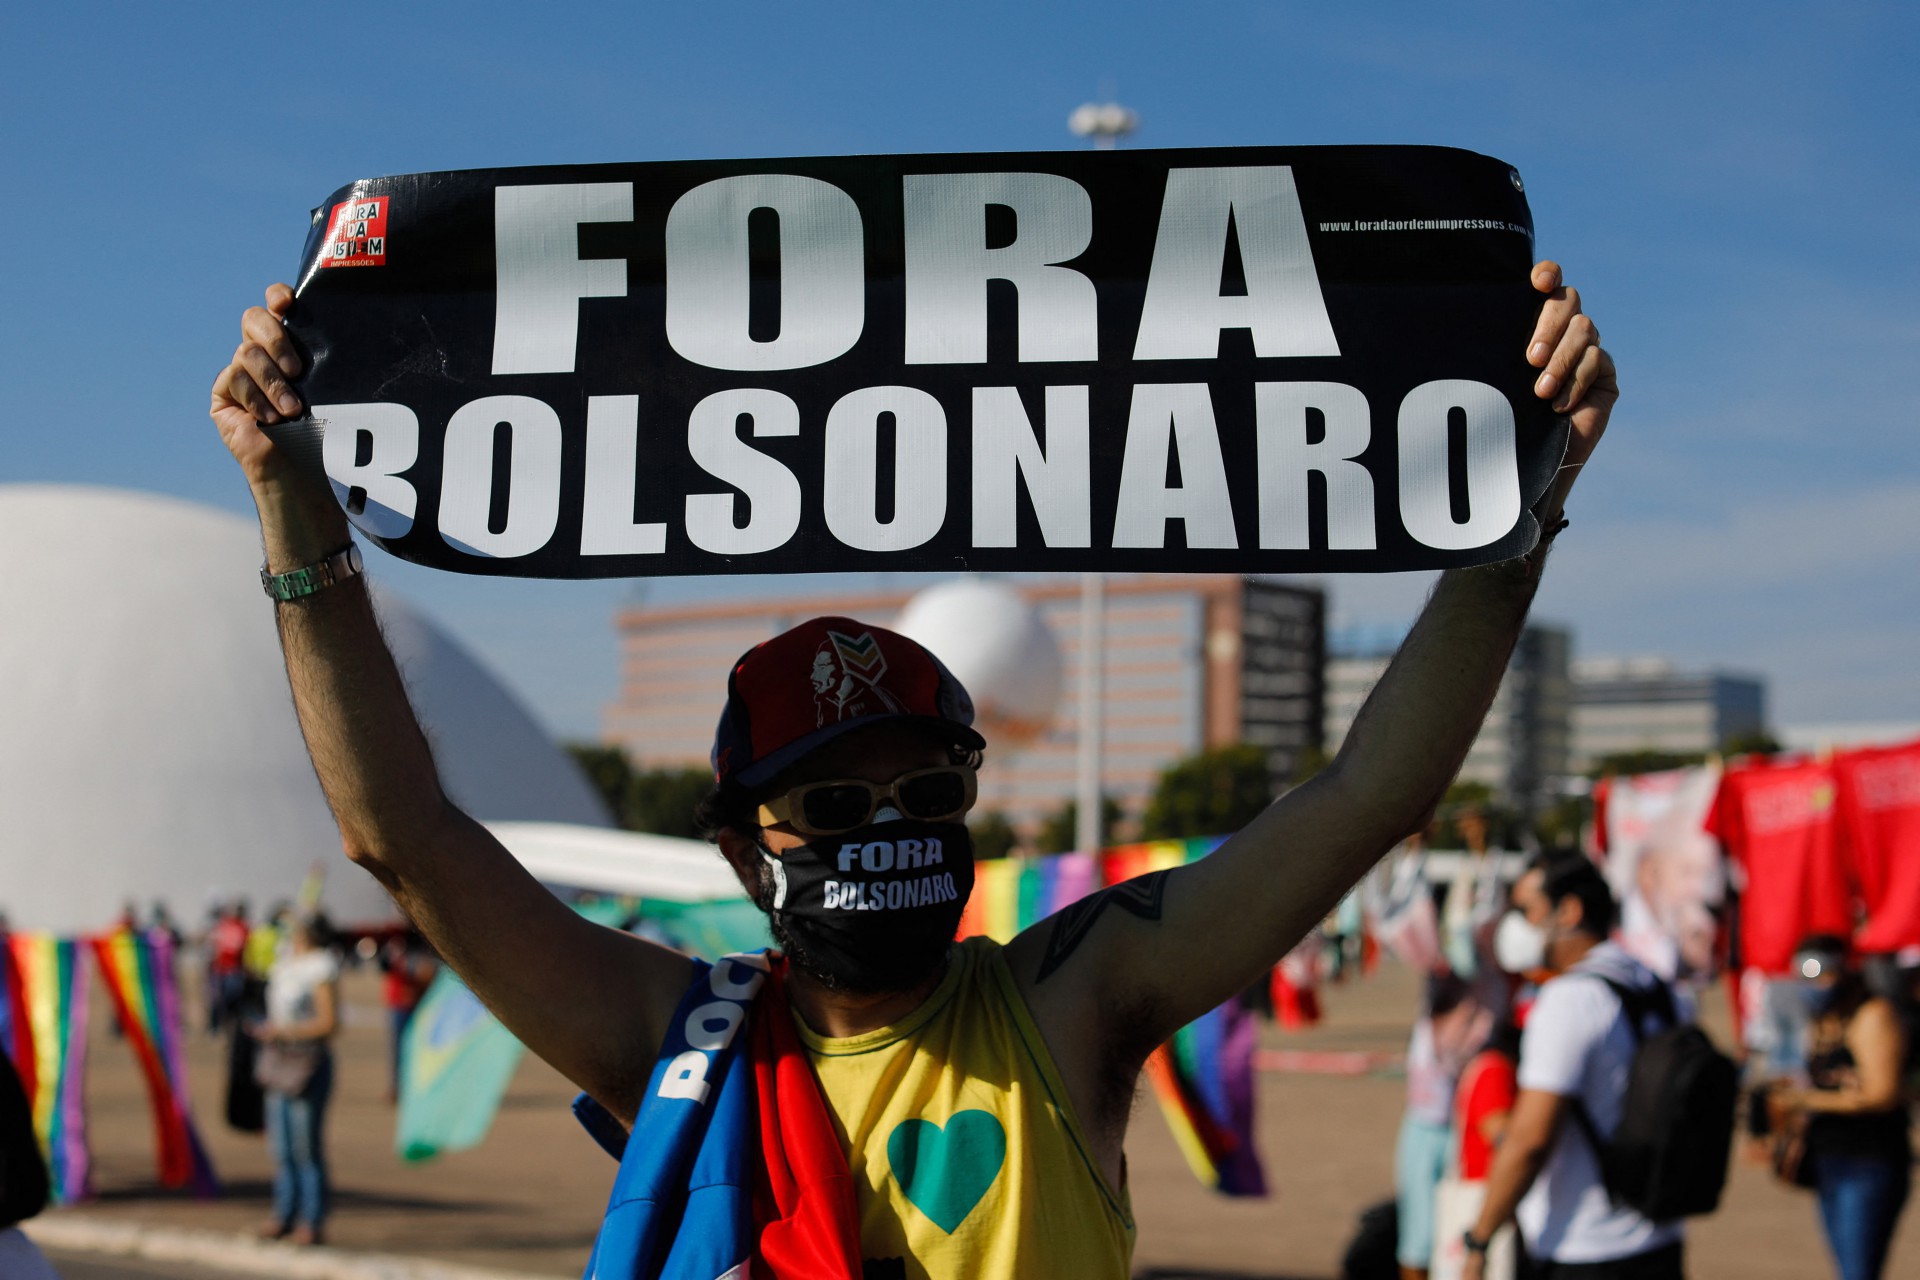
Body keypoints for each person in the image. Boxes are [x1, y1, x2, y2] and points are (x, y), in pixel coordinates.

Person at [210, 260, 1614, 1276]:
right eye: (829, 802)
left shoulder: (1075, 999)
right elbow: (404, 835)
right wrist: (293, 505)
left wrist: (1526, 503)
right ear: (740, 845)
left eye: (925, 793)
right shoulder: (675, 1042)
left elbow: (1369, 797)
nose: (885, 824)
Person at [1464, 855, 1686, 1279]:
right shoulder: (1654, 984)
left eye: (1526, 910)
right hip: (1658, 1235)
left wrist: (1480, 1238)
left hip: (1584, 1245)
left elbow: (1529, 1141)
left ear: (1569, 911)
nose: (1517, 926)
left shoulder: (1569, 999)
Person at [1774, 935, 1911, 1280]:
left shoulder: (1873, 1014)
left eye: (1821, 974)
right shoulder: (1826, 1020)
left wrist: (1807, 1099)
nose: (1813, 985)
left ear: (1845, 970)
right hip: (1828, 1160)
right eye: (1804, 976)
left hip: (1868, 1162)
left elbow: (1882, 1093)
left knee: (1857, 1272)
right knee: (1845, 1269)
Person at [253, 916, 340, 1246]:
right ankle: (283, 1213)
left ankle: (312, 1220)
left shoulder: (321, 966)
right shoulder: (286, 960)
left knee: (307, 1148)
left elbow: (329, 1023)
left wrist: (285, 1031)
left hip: (307, 1061)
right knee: (281, 1146)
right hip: (279, 1058)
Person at [378, 929, 439, 1102]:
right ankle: (397, 1088)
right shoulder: (393, 948)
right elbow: (384, 967)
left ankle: (412, 1088)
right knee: (398, 1049)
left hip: (416, 1005)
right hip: (399, 1005)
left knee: (416, 1049)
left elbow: (428, 973)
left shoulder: (418, 950)